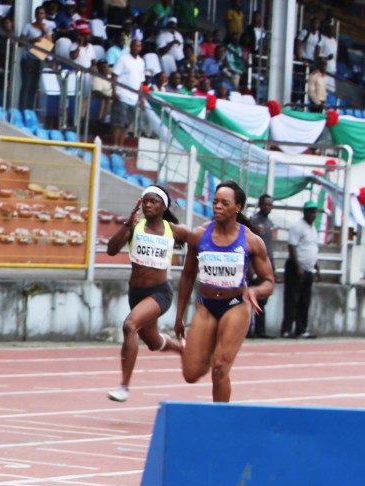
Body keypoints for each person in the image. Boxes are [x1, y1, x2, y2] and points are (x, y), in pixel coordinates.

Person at [174, 181, 275, 402]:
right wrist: (179, 316)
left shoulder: (251, 241)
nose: (217, 207)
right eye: (215, 202)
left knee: (219, 368)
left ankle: (220, 418)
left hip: (236, 306)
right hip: (206, 307)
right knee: (191, 374)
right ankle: (201, 348)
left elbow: (269, 282)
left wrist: (254, 292)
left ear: (237, 207)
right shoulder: (199, 236)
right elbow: (188, 276)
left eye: (224, 203)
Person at [105, 186, 191, 402]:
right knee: (153, 343)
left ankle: (124, 386)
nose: (148, 205)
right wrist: (128, 224)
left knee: (130, 325)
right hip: (136, 294)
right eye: (146, 201)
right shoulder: (135, 227)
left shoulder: (174, 230)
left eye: (154, 202)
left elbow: (201, 238)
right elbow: (111, 250)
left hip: (160, 293)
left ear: (164, 206)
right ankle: (180, 348)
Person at [281, 200, 321, 339]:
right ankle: (286, 329)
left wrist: (317, 268)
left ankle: (301, 329)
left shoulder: (313, 228)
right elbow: (292, 246)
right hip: (296, 268)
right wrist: (298, 267)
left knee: (304, 301)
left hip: (308, 269)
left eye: (314, 211)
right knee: (292, 300)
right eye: (309, 211)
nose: (312, 214)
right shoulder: (298, 227)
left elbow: (312, 248)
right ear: (304, 212)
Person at [246, 193, 276, 338]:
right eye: (264, 204)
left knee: (262, 300)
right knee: (250, 298)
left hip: (266, 266)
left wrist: (273, 269)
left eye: (269, 204)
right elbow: (249, 244)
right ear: (259, 204)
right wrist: (250, 268)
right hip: (255, 266)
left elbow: (270, 249)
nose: (267, 207)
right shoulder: (253, 221)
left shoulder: (270, 223)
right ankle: (248, 330)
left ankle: (260, 330)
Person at [111, 38, 146, 152]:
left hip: (133, 98)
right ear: (131, 47)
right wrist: (114, 91)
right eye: (135, 46)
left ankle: (121, 147)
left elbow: (141, 81)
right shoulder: (123, 58)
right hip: (122, 95)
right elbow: (114, 76)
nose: (136, 48)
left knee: (126, 124)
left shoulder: (141, 62)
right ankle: (115, 146)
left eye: (138, 46)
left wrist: (141, 97)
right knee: (118, 123)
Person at [19, 5, 55, 112]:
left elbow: (50, 42)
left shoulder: (48, 27)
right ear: (35, 15)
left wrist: (44, 29)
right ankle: (22, 109)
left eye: (42, 13)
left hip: (39, 59)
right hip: (28, 58)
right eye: (39, 13)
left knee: (34, 86)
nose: (40, 16)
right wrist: (33, 40)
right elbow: (20, 42)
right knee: (26, 85)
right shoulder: (28, 26)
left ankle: (29, 110)